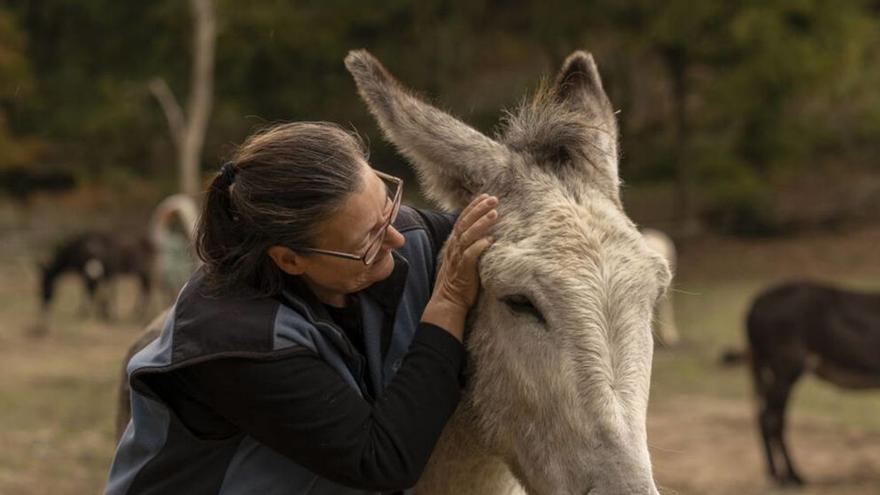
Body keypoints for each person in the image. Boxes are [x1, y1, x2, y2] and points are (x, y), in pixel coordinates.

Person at [105, 121, 499, 495]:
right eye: (368, 240)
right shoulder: (235, 340)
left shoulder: (382, 236)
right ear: (291, 261)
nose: (396, 239)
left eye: (389, 204)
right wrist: (447, 302)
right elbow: (379, 460)